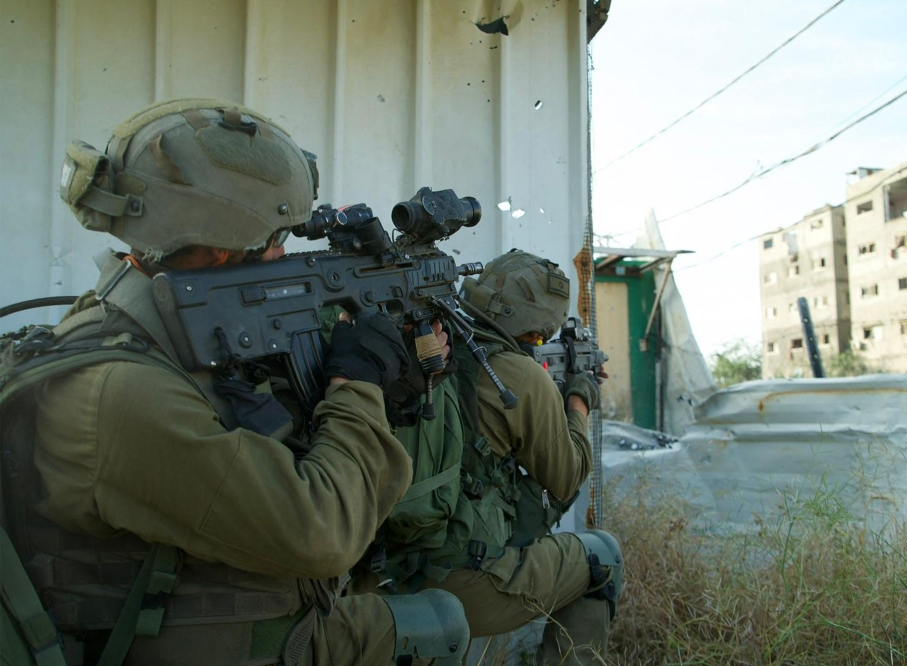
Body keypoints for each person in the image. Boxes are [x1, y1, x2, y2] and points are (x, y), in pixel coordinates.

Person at [0, 99, 468, 665]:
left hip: (255, 611)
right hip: (232, 641)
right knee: (444, 622)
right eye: (277, 240)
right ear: (224, 246)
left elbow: (267, 441)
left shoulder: (167, 337)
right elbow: (325, 529)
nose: (283, 255)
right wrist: (355, 384)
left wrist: (381, 373)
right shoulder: (120, 394)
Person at [352, 250, 622, 666]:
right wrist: (579, 400)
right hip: (457, 581)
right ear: (536, 331)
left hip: (380, 572)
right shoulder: (519, 377)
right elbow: (567, 478)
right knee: (602, 556)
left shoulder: (428, 343)